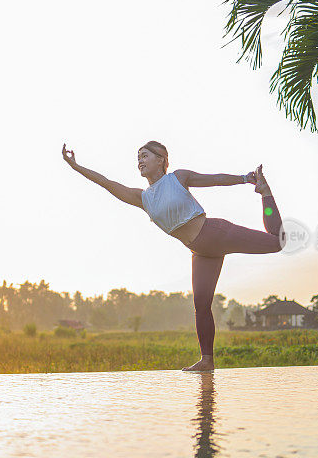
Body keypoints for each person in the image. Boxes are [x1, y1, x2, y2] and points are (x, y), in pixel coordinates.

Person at [61, 140, 285, 372]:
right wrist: (75, 166)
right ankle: (207, 360)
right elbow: (106, 183)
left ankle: (266, 194)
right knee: (201, 305)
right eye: (138, 157)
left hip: (214, 233)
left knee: (277, 242)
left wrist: (246, 178)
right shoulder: (143, 198)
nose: (140, 161)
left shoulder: (178, 178)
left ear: (161, 160)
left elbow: (215, 179)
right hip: (200, 252)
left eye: (145, 155)